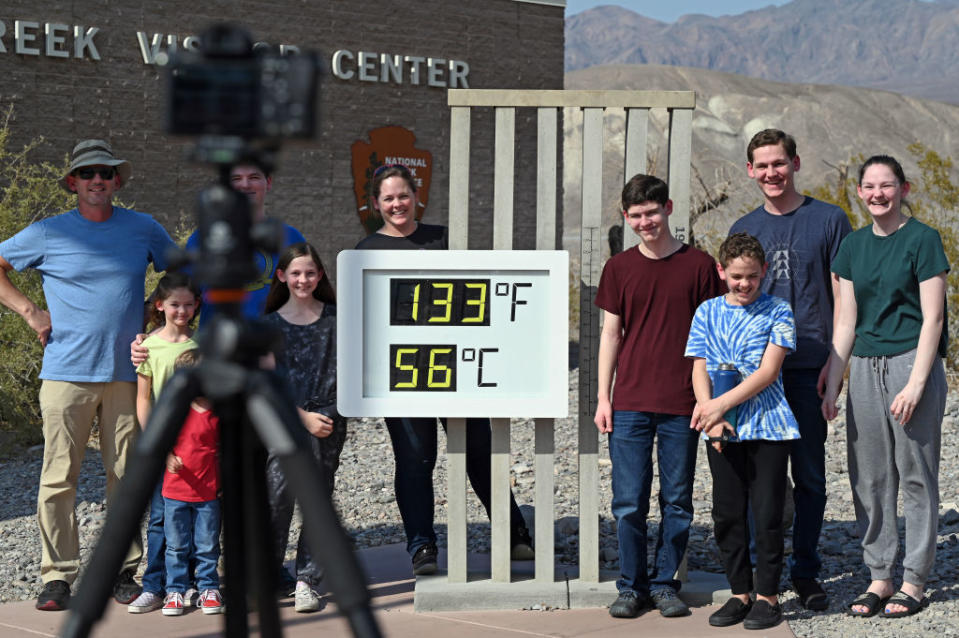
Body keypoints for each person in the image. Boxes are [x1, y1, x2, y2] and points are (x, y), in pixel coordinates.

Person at [0, 139, 176, 611]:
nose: (97, 180)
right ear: (73, 182)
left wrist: (155, 317)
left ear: (117, 180)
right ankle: (57, 577)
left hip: (128, 373)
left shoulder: (143, 228)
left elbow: (184, 273)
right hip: (65, 374)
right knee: (59, 477)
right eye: (87, 173)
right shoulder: (47, 233)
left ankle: (122, 570)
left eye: (105, 172)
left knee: (126, 474)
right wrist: (29, 311)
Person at [355, 163, 534, 575]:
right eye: (388, 198)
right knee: (416, 460)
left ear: (417, 197)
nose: (397, 204)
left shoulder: (444, 239)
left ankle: (514, 535)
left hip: (458, 368)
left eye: (403, 195)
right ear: (376, 204)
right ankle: (422, 547)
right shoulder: (366, 252)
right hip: (401, 375)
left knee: (480, 453)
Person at [729, 129, 852, 610]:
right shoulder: (745, 226)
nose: (771, 173)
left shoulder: (828, 219)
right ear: (749, 171)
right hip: (757, 373)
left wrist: (835, 369)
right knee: (762, 479)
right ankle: (766, 576)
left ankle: (805, 570)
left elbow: (845, 299)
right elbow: (733, 301)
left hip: (807, 368)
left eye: (778, 163)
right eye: (761, 165)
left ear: (795, 163)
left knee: (810, 477)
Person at [822, 155, 948, 619]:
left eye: (887, 185)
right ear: (859, 192)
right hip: (864, 366)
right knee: (870, 477)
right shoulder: (853, 246)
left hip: (909, 365)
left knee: (915, 474)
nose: (878, 194)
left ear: (905, 189)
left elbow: (932, 316)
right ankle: (880, 575)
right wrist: (833, 382)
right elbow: (846, 318)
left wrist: (916, 382)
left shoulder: (923, 239)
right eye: (870, 186)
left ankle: (914, 579)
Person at [593, 174, 723, 619]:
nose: (645, 221)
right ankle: (631, 587)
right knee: (628, 502)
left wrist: (710, 401)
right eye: (636, 215)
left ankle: (666, 584)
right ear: (625, 218)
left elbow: (711, 336)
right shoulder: (619, 268)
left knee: (677, 500)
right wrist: (603, 398)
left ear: (667, 208)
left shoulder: (700, 266)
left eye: (652, 212)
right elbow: (610, 335)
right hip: (628, 401)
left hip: (683, 402)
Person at [686, 232, 800, 630]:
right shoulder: (706, 311)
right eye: (736, 276)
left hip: (767, 425)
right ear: (721, 271)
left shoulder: (779, 310)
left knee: (767, 513)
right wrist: (710, 414)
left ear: (764, 271)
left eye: (752, 276)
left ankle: (768, 596)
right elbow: (699, 366)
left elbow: (769, 372)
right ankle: (740, 593)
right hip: (720, 427)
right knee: (727, 512)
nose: (744, 284)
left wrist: (718, 405)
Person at [129, 161, 306, 361]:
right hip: (217, 354)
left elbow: (310, 300)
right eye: (236, 179)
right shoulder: (203, 239)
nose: (245, 185)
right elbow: (179, 292)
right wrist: (156, 335)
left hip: (276, 354)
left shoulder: (290, 238)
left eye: (254, 178)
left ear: (269, 182)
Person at [262, 242, 346, 613]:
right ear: (282, 276)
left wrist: (328, 415)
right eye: (295, 272)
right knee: (276, 498)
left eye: (310, 272)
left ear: (320, 275)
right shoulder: (269, 325)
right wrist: (302, 417)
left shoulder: (337, 320)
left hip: (328, 421)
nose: (303, 279)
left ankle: (307, 581)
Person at [128, 273, 201, 613]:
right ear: (160, 305)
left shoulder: (202, 345)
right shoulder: (148, 347)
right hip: (165, 446)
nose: (182, 311)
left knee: (198, 516)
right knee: (160, 517)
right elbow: (144, 399)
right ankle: (154, 585)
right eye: (174, 304)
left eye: (188, 304)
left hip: (198, 447)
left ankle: (193, 583)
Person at [160, 349, 224, 616]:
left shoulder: (220, 412)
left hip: (208, 492)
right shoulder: (174, 410)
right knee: (175, 545)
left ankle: (209, 588)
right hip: (175, 492)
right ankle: (175, 590)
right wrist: (168, 456)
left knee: (207, 545)